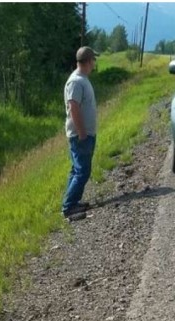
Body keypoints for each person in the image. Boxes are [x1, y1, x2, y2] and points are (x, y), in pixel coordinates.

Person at [63, 46, 99, 217]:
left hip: (84, 134)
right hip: (80, 136)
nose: (94, 64)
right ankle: (69, 208)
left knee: (76, 170)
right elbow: (73, 108)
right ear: (89, 61)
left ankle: (74, 201)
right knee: (82, 171)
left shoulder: (82, 79)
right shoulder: (76, 81)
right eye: (94, 60)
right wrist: (82, 132)